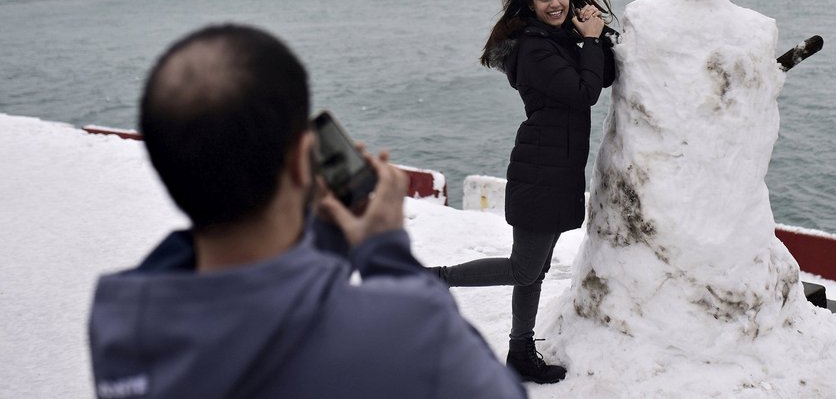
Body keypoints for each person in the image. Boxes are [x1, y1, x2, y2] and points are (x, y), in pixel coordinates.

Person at [88, 24, 526, 399]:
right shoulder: (402, 332)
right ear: (303, 159)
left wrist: (326, 234)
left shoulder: (123, 328)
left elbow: (261, 317)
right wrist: (385, 252)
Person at [429, 0, 617, 384]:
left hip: (559, 163)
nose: (556, 4)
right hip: (540, 167)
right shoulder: (534, 48)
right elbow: (583, 93)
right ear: (531, 6)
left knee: (536, 269)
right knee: (524, 269)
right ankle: (432, 280)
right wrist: (588, 40)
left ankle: (520, 352)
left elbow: (604, 75)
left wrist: (594, 35)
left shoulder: (562, 38)